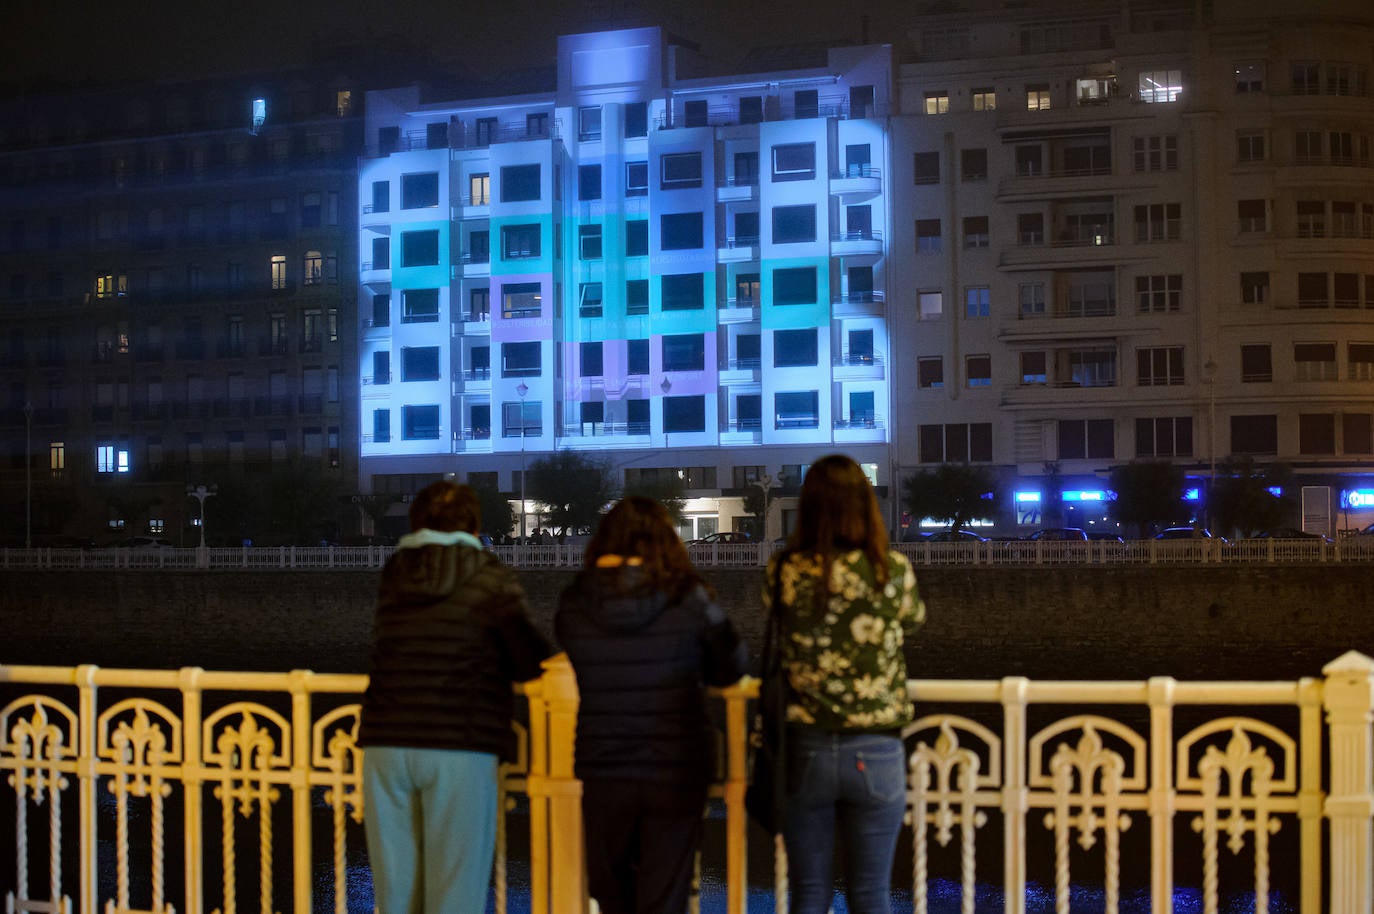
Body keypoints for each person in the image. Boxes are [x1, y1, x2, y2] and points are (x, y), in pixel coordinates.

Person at [358, 480, 552, 914]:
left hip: (386, 740)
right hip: (460, 741)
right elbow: (526, 657)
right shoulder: (488, 573)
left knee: (395, 895)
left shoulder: (396, 571)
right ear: (472, 522)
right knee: (455, 894)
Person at [556, 496, 748, 914]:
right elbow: (731, 668)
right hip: (675, 766)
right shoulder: (689, 597)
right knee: (665, 896)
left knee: (612, 894)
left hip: (604, 764)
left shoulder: (577, 601)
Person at [765, 454, 925, 914]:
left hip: (806, 748)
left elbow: (777, 616)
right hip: (877, 748)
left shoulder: (786, 571)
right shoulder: (890, 570)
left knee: (811, 894)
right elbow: (912, 620)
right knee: (872, 894)